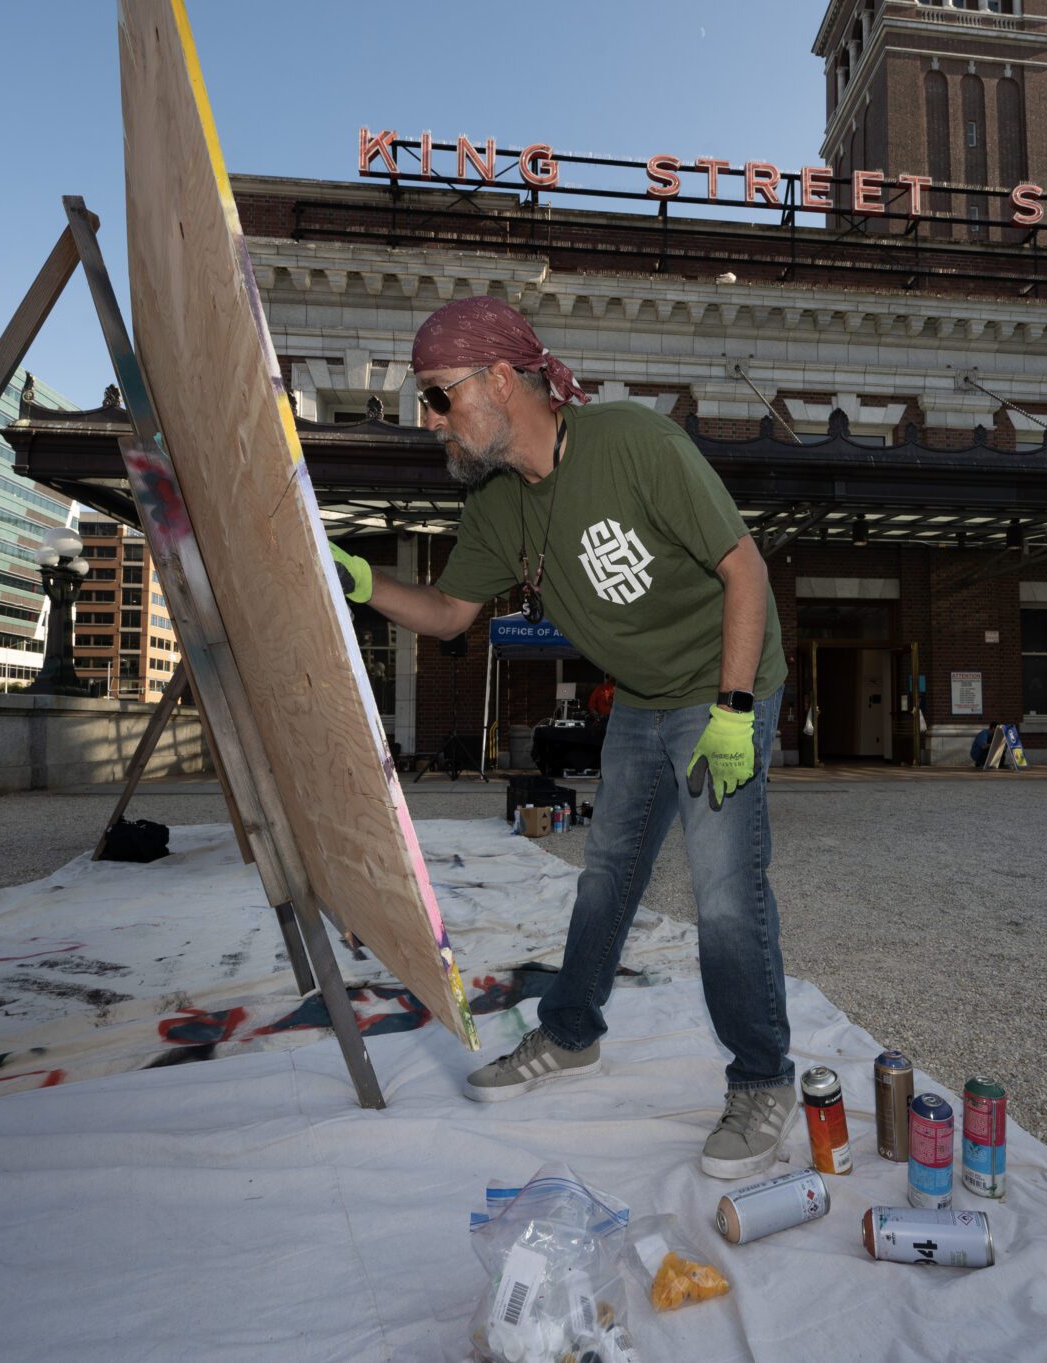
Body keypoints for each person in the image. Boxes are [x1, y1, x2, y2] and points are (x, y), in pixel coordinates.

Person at [328, 296, 793, 1179]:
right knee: (607, 875)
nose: (430, 423)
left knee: (728, 893)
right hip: (643, 701)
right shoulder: (499, 506)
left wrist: (734, 712)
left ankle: (764, 1078)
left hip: (725, 686)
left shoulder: (632, 444)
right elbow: (449, 612)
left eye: (437, 396)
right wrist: (359, 581)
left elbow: (745, 568)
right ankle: (572, 1034)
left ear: (501, 380)